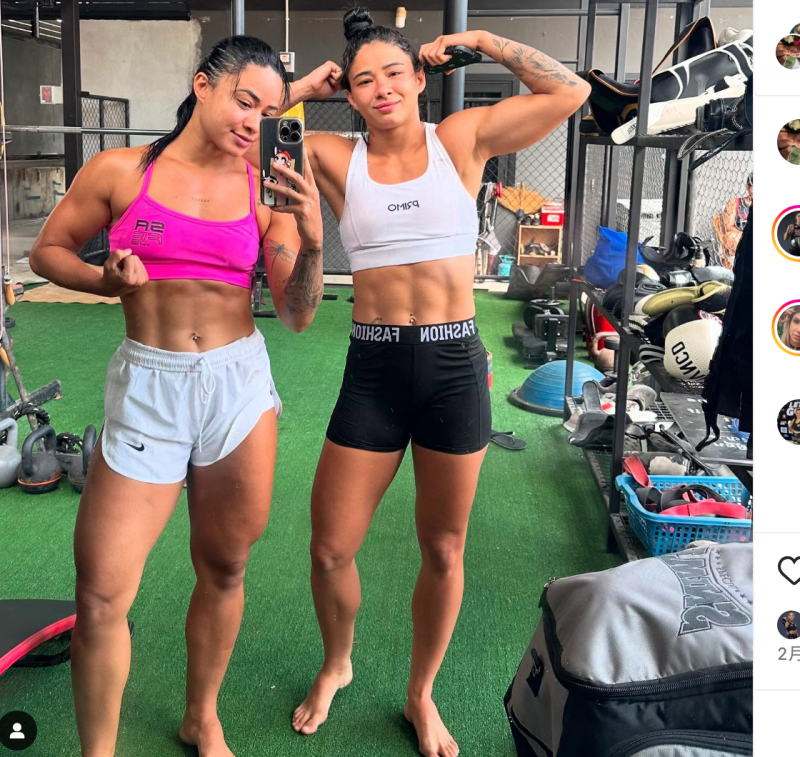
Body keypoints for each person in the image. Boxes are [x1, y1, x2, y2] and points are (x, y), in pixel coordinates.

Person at [281, 8, 590, 756]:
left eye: (394, 72)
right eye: (363, 80)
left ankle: (421, 693)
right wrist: (299, 89)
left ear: (420, 78)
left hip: (453, 366)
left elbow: (571, 92)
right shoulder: (330, 154)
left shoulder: (459, 139)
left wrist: (479, 42)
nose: (381, 88)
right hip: (374, 365)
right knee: (329, 548)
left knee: (444, 548)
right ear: (349, 95)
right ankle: (337, 662)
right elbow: (241, 129)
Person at [29, 36, 335, 757]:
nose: (254, 122)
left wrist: (314, 241)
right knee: (100, 594)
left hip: (236, 388)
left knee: (225, 567)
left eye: (268, 112)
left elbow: (297, 315)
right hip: (149, 386)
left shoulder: (265, 189)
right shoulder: (121, 171)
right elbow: (48, 251)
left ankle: (202, 716)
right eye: (244, 101)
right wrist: (105, 280)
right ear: (202, 85)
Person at [712, 171, 751, 270]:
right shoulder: (736, 202)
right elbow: (727, 226)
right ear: (747, 187)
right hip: (737, 238)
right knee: (730, 236)